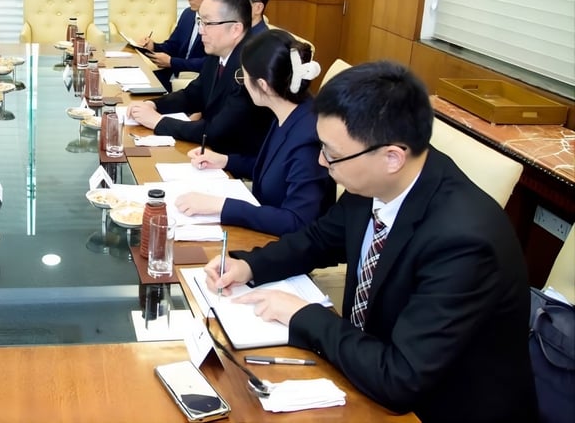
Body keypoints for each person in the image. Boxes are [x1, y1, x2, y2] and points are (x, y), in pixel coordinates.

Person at [205, 62, 536, 422]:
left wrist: (302, 314)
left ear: (392, 156)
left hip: (439, 406)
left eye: (331, 154)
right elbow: (319, 239)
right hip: (369, 367)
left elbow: (400, 379)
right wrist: (249, 264)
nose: (320, 161)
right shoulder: (378, 181)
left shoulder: (464, 242)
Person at [177, 29, 335, 236]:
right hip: (264, 228)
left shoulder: (308, 138)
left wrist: (222, 206)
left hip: (286, 247)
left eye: (243, 77)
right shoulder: (290, 109)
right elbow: (276, 168)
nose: (243, 83)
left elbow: (297, 221)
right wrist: (224, 160)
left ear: (263, 85)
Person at [128, 0, 273, 163]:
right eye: (200, 22)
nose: (201, 31)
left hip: (236, 163)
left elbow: (216, 131)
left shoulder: (250, 67)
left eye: (208, 23)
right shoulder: (218, 52)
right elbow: (193, 94)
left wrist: (158, 122)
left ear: (235, 29)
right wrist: (153, 104)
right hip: (209, 151)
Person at [134, 0, 217, 90]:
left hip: (195, 83)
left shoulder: (219, 22)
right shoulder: (188, 14)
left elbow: (210, 62)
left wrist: (172, 62)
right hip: (172, 76)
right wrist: (153, 46)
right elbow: (173, 45)